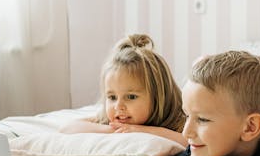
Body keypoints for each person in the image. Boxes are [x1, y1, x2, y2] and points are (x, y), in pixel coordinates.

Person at [59, 34, 187, 146]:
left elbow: (187, 142)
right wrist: (118, 130)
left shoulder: (181, 121)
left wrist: (141, 131)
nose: (118, 106)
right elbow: (67, 128)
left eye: (131, 97)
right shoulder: (111, 121)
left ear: (158, 96)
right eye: (112, 97)